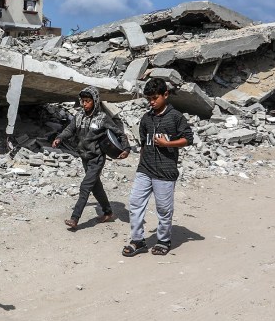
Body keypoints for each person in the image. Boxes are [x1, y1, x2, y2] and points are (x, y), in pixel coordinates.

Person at [122, 78, 194, 257]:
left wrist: (167, 143)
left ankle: (163, 240)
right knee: (135, 203)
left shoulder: (176, 117)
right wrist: (141, 163)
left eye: (155, 98)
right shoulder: (146, 118)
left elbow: (188, 138)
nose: (152, 102)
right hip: (145, 170)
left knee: (163, 209)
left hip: (165, 171)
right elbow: (144, 144)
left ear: (165, 94)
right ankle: (137, 240)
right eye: (149, 99)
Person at [52, 86, 129, 230]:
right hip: (84, 157)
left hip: (97, 158)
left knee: (85, 186)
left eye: (88, 101)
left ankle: (75, 218)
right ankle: (108, 212)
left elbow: (119, 133)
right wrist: (59, 138)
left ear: (95, 101)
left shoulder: (102, 118)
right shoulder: (79, 116)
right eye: (83, 101)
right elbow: (70, 129)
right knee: (96, 187)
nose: (85, 104)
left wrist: (126, 148)